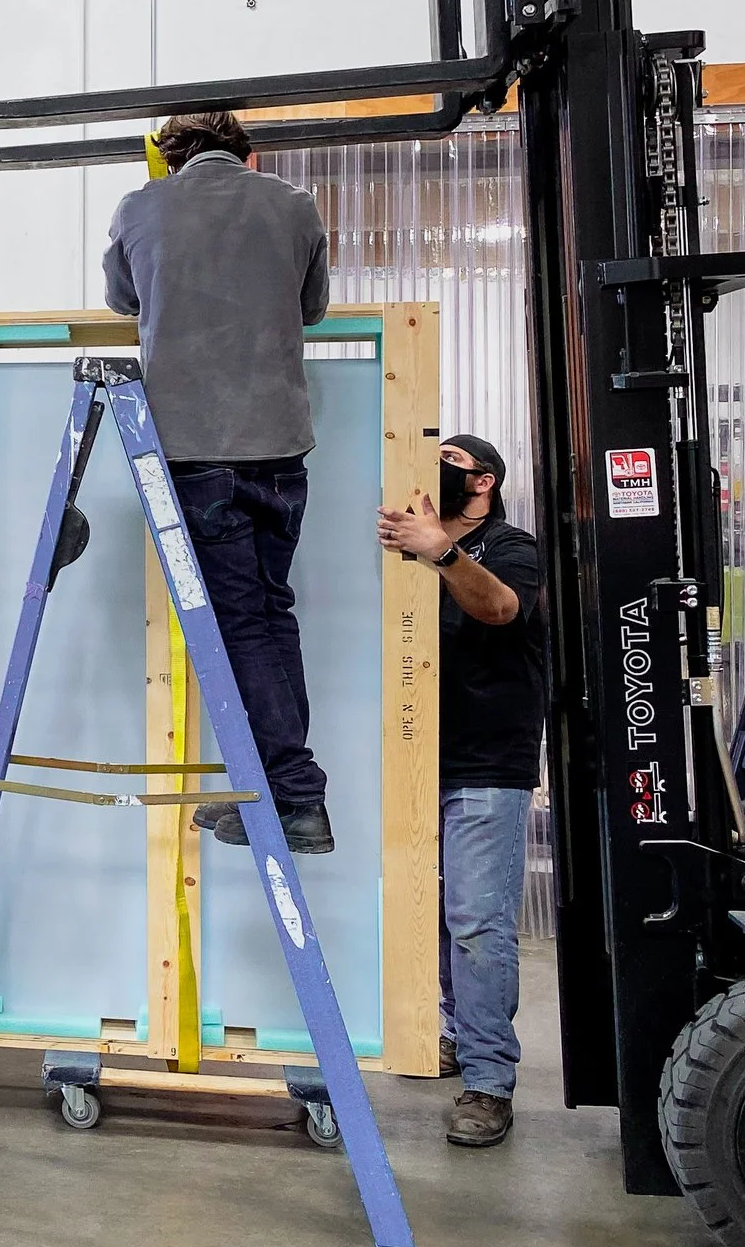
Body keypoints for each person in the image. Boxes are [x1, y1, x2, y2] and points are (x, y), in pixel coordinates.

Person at [105, 109, 335, 851]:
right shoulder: (295, 204)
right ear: (250, 153)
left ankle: (296, 797)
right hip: (280, 446)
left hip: (197, 448)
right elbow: (314, 309)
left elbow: (122, 300)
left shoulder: (142, 206)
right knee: (270, 612)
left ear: (169, 157)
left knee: (241, 623)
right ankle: (282, 791)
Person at [376, 433, 546, 1149]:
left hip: (485, 765)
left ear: (483, 482)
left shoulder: (511, 544)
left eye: (451, 463)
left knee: (476, 920)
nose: (436, 470)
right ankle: (449, 1034)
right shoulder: (407, 550)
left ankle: (487, 1080)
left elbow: (502, 608)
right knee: (430, 914)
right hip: (413, 758)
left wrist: (440, 550)